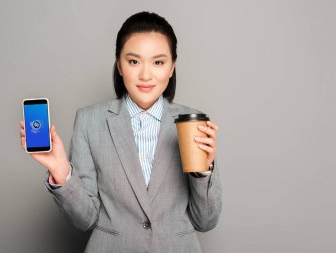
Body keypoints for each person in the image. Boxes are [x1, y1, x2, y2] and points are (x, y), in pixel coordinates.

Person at [20, 11, 222, 253]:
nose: (146, 75)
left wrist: (202, 174)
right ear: (119, 65)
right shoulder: (89, 120)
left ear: (171, 68)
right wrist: (62, 173)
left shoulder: (193, 122)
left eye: (158, 62)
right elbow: (84, 219)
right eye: (134, 61)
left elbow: (206, 221)